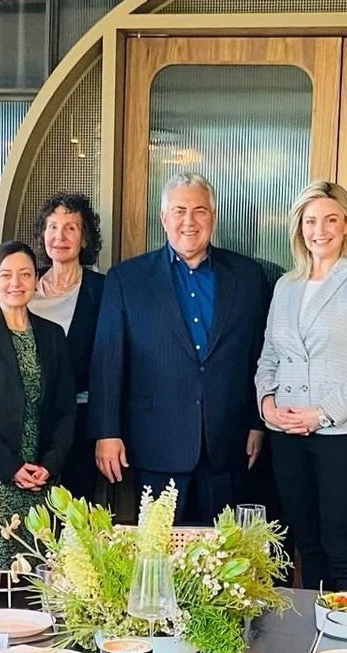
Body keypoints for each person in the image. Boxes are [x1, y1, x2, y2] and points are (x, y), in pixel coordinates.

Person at [90, 172, 271, 524]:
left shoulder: (248, 276)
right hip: (157, 444)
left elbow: (258, 355)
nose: (189, 221)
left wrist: (257, 422)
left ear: (213, 218)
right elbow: (107, 362)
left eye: (200, 211)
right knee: (160, 559)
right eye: (179, 211)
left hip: (228, 443)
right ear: (164, 218)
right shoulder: (127, 279)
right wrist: (106, 431)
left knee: (223, 559)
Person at [256, 181, 347, 591]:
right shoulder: (286, 285)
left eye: (331, 219)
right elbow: (269, 356)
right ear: (299, 226)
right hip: (287, 432)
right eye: (311, 220)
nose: (320, 229)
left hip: (344, 432)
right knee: (307, 543)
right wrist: (266, 403)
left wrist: (322, 414)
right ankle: (314, 637)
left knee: (344, 545)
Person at [0, 241, 75, 569]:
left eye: (24, 274)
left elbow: (65, 408)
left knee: (39, 567)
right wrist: (11, 467)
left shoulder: (52, 334)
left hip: (40, 472)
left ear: (36, 279)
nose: (15, 283)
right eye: (5, 275)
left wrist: (49, 464)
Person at [28, 193, 106, 501]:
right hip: (30, 423)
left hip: (82, 424)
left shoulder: (102, 290)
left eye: (71, 228)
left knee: (78, 518)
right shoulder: (24, 287)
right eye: (53, 227)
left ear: (85, 238)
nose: (60, 236)